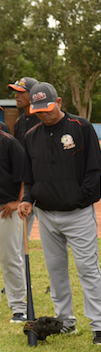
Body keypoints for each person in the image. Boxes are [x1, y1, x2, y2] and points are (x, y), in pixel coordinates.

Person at [17, 82, 101, 344]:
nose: (43, 114)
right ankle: (65, 321)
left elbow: (94, 171)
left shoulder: (81, 128)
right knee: (55, 270)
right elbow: (29, 176)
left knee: (87, 268)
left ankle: (99, 326)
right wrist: (27, 199)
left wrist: (77, 198)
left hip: (78, 215)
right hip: (46, 215)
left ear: (58, 102)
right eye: (38, 111)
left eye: (47, 108)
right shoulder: (31, 134)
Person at [0, 128, 28, 323]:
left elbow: (25, 175)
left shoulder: (10, 143)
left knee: (10, 257)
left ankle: (19, 307)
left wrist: (18, 201)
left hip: (6, 209)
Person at [8, 77, 40, 240]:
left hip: (43, 186)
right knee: (20, 239)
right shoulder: (20, 122)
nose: (16, 96)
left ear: (34, 94)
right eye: (15, 92)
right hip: (26, 188)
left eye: (21, 92)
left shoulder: (43, 120)